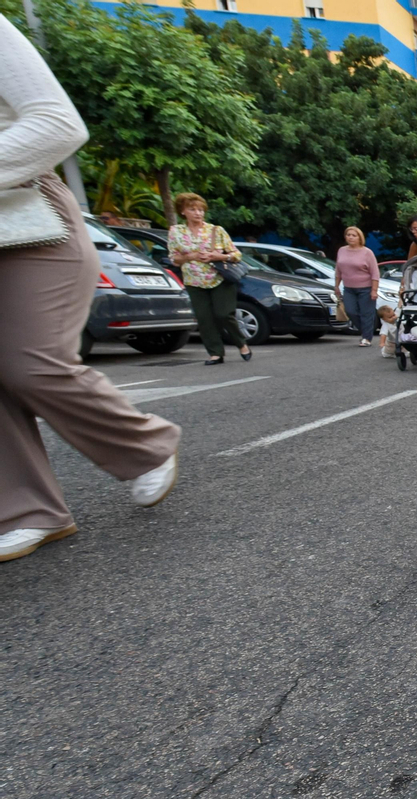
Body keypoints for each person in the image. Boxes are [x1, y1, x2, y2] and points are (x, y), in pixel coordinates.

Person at [0, 17, 180, 562]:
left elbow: (57, 123)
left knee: (28, 363)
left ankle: (144, 445)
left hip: (27, 218)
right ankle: (26, 509)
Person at [168, 193, 250, 365]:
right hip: (193, 280)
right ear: (183, 212)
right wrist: (191, 256)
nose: (198, 213)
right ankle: (215, 353)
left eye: (201, 210)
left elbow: (237, 254)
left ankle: (241, 343)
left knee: (223, 314)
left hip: (219, 278)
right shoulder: (176, 232)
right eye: (192, 209)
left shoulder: (216, 230)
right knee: (204, 318)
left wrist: (217, 256)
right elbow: (174, 259)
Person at [333, 225, 380, 348]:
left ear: (360, 237)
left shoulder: (367, 252)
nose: (350, 237)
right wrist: (336, 285)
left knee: (366, 313)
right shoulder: (342, 250)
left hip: (366, 288)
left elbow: (375, 273)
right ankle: (365, 331)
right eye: (348, 235)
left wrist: (374, 290)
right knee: (350, 311)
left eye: (354, 235)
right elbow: (338, 269)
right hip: (348, 288)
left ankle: (366, 337)